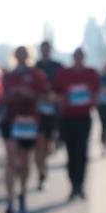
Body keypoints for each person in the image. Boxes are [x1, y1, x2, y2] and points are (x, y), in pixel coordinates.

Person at [1, 47, 50, 213]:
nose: (21, 57)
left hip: (29, 122)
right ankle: (9, 201)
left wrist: (30, 94)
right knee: (11, 161)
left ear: (28, 56)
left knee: (25, 161)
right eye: (18, 55)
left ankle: (22, 193)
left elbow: (45, 96)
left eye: (24, 54)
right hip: (11, 121)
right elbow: (2, 96)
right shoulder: (8, 75)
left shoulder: (37, 75)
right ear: (14, 56)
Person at [54, 48, 100, 199]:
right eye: (76, 56)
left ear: (84, 58)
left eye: (81, 56)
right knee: (70, 153)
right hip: (67, 118)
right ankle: (73, 184)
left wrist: (92, 99)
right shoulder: (63, 74)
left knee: (82, 152)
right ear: (73, 57)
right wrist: (63, 99)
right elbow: (56, 93)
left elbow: (97, 93)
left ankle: (80, 185)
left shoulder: (91, 73)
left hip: (84, 118)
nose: (78, 59)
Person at [34, 39, 64, 190]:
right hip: (37, 113)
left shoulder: (57, 67)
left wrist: (55, 97)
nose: (45, 51)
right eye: (42, 48)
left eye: (47, 48)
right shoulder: (36, 67)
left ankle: (44, 163)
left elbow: (64, 87)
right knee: (39, 144)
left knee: (48, 146)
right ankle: (41, 172)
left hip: (54, 113)